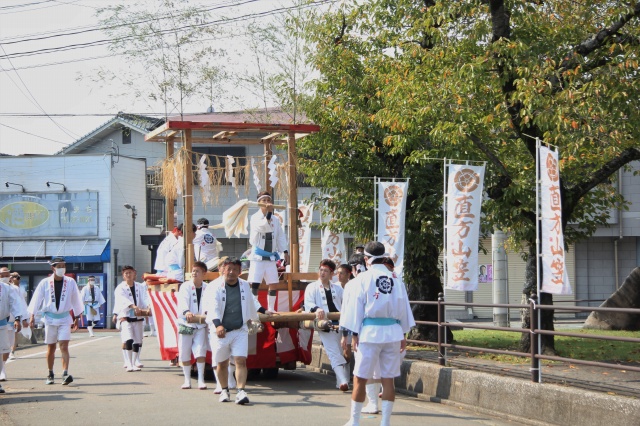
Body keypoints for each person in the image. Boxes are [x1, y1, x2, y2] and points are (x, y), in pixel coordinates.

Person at [340, 242, 416, 426]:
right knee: (388, 379)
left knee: (360, 377)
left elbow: (356, 308)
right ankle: (385, 422)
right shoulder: (396, 279)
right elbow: (404, 309)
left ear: (366, 260)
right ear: (383, 258)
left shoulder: (362, 279)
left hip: (370, 333)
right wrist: (404, 334)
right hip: (393, 332)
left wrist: (354, 334)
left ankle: (355, 420)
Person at [206, 257, 260, 405]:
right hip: (221, 330)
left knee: (240, 360)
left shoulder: (244, 285)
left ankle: (241, 391)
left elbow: (251, 302)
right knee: (221, 363)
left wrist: (256, 315)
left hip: (239, 329)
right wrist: (218, 325)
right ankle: (224, 390)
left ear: (240, 272)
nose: (231, 272)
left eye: (235, 269)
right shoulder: (214, 286)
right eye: (228, 269)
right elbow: (213, 307)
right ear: (223, 269)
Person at [28, 257, 83, 385]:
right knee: (51, 347)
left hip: (64, 318)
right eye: (59, 266)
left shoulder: (70, 282)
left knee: (64, 346)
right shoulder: (45, 282)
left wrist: (76, 317)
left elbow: (76, 300)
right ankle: (50, 372)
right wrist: (32, 316)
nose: (62, 268)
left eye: (63, 266)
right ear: (53, 268)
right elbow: (37, 299)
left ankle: (65, 373)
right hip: (49, 318)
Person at [304, 259, 350, 391]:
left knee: (342, 351)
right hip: (324, 323)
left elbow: (345, 304)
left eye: (326, 271)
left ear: (331, 273)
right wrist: (317, 309)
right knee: (333, 351)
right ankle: (343, 381)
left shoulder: (338, 288)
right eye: (321, 270)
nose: (322, 273)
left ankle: (341, 381)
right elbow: (309, 303)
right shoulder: (312, 287)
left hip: (340, 323)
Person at [247, 191, 287, 312]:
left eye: (268, 200)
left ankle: (271, 308)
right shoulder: (254, 217)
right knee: (255, 283)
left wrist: (285, 251)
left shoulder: (275, 219)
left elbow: (280, 236)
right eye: (263, 200)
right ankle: (254, 307)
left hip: (270, 257)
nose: (266, 203)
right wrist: (269, 213)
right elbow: (263, 227)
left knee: (273, 282)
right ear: (259, 202)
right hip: (258, 256)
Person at [176, 261, 209, 390]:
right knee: (185, 351)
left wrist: (207, 313)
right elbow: (183, 301)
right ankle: (187, 380)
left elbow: (210, 303)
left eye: (197, 271)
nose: (194, 273)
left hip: (200, 324)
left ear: (204, 274)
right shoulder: (185, 286)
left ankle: (201, 379)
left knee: (201, 350)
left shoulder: (208, 287)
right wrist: (187, 312)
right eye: (193, 271)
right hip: (186, 323)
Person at [114, 265, 150, 372]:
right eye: (126, 273)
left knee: (137, 341)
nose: (128, 275)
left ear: (134, 273)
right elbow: (121, 300)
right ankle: (128, 363)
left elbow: (145, 298)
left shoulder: (140, 286)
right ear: (123, 276)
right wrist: (133, 306)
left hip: (138, 317)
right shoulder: (120, 288)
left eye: (130, 272)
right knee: (128, 339)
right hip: (126, 317)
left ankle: (134, 362)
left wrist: (148, 306)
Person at [0, 268, 25, 394]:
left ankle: (0, 375)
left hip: (3, 322)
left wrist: (18, 318)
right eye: (1, 275)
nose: (4, 277)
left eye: (6, 275)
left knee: (3, 351)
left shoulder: (7, 288)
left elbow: (15, 303)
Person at [8, 272, 28, 360]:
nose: (16, 279)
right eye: (13, 276)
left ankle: (12, 351)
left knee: (14, 333)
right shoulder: (6, 287)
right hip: (5, 313)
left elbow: (22, 303)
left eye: (17, 277)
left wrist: (23, 318)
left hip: (14, 314)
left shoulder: (20, 289)